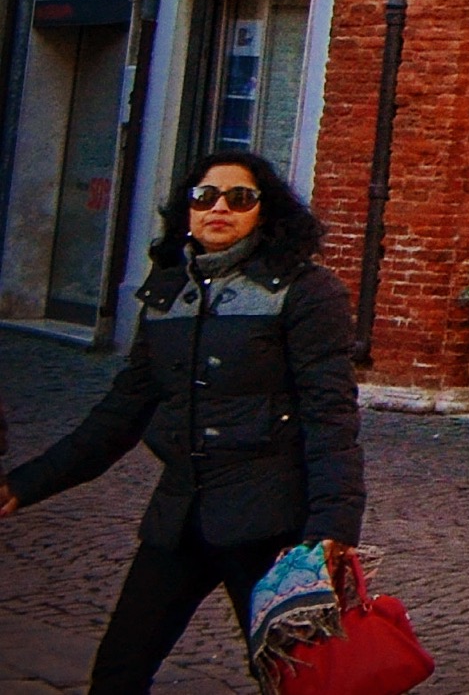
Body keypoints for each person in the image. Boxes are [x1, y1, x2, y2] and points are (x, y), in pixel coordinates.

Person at [0, 145, 366, 694]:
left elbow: (330, 414)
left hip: (269, 525)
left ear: (264, 212)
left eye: (240, 198)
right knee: (118, 673)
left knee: (297, 685)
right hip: (181, 518)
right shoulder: (170, 293)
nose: (220, 208)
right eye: (205, 196)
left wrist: (331, 530)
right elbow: (120, 414)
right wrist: (24, 485)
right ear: (187, 210)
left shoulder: (304, 292)